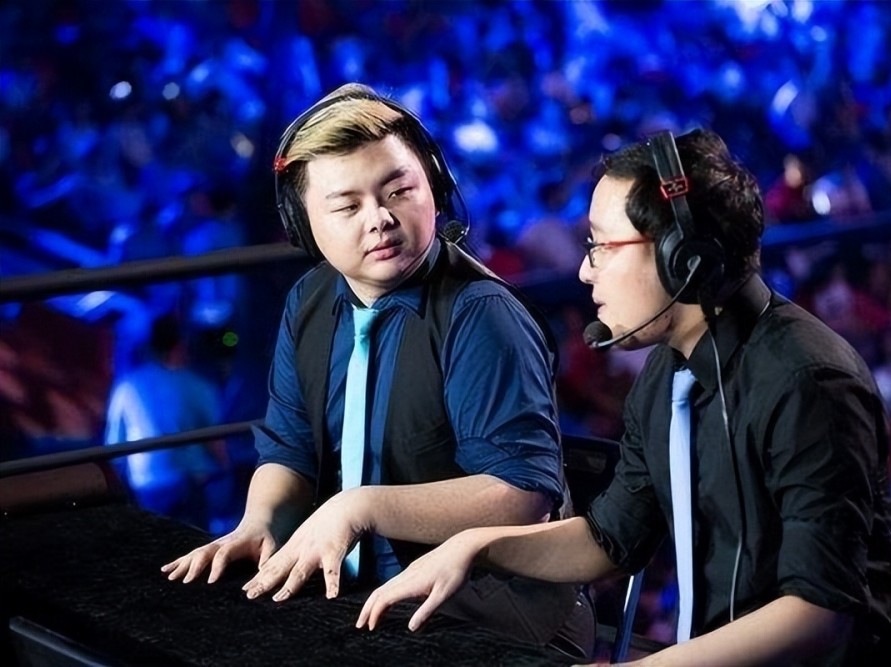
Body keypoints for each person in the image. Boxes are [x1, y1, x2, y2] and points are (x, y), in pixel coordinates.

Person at [358, 129, 891, 666]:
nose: (584, 270)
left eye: (600, 246)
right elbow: (611, 539)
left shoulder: (809, 382)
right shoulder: (669, 375)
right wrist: (476, 546)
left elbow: (818, 610)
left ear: (683, 257)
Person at [160, 83, 594, 659]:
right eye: (348, 206)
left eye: (399, 190)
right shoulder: (310, 300)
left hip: (484, 611)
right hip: (357, 597)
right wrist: (259, 522)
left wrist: (360, 507)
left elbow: (520, 493)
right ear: (303, 224)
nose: (381, 219)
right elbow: (289, 447)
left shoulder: (482, 314)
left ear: (435, 188)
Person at [105, 313, 232, 532]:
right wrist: (226, 468)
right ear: (181, 347)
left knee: (157, 538)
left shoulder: (127, 386)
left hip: (146, 481)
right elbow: (215, 439)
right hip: (190, 480)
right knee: (196, 538)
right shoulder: (197, 385)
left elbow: (115, 445)